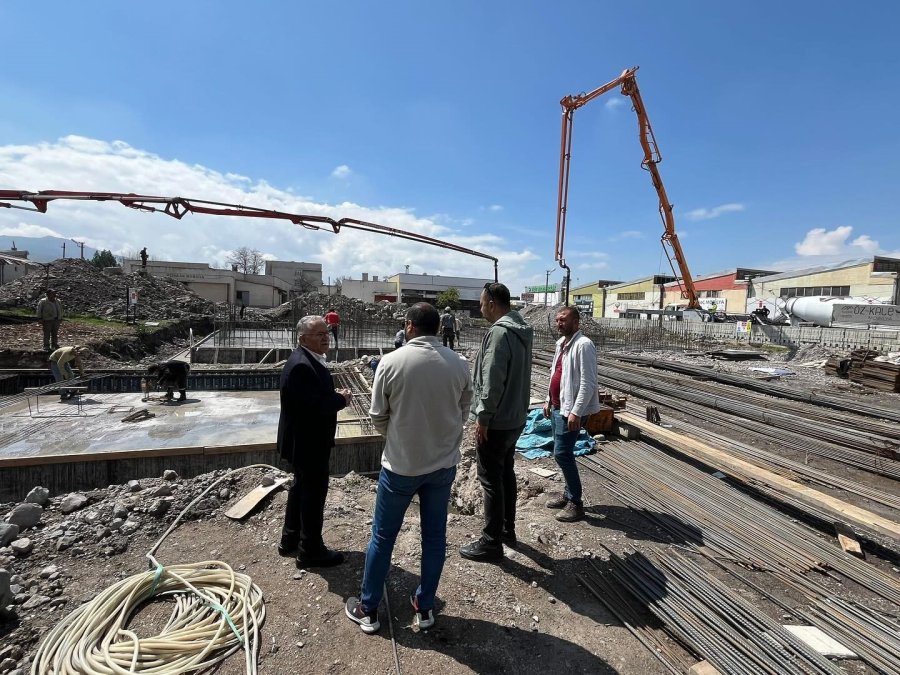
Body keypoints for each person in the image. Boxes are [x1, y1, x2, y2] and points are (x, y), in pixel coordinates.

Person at [346, 303, 472, 633]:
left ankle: (368, 609)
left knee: (383, 536)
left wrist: (399, 438)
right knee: (435, 537)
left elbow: (378, 415)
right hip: (442, 466)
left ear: (409, 326)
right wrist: (441, 437)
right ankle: (425, 606)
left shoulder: (391, 362)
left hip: (400, 466)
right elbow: (464, 411)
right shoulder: (458, 363)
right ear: (439, 327)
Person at [460, 282, 533, 562]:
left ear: (492, 303)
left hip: (498, 420)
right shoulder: (521, 330)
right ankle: (506, 530)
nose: (480, 309)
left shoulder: (499, 333)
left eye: (481, 304)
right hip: (515, 417)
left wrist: (484, 416)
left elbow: (492, 379)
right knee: (505, 474)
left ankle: (491, 543)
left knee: (491, 479)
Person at [277, 315, 352, 567]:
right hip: (309, 443)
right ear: (303, 338)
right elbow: (314, 406)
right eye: (319, 334)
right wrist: (341, 399)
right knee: (313, 494)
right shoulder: (302, 365)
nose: (325, 338)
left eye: (326, 333)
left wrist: (331, 395)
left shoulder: (307, 359)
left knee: (301, 488)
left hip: (304, 441)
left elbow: (310, 397)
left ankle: (290, 538)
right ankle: (310, 550)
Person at [543, 306, 600, 522]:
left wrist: (576, 411)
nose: (559, 323)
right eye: (558, 320)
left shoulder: (583, 345)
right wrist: (548, 399)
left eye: (564, 320)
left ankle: (576, 502)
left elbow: (588, 382)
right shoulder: (561, 343)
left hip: (570, 410)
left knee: (562, 454)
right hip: (558, 406)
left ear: (576, 322)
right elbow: (555, 373)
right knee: (561, 452)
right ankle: (568, 494)